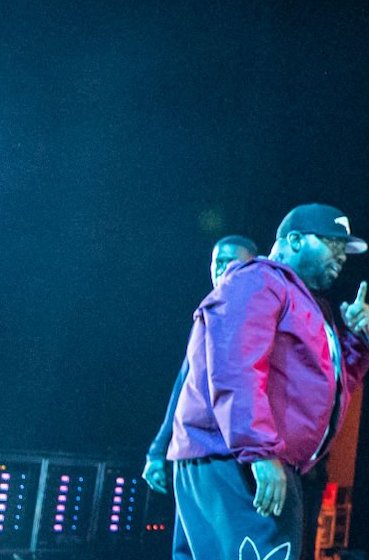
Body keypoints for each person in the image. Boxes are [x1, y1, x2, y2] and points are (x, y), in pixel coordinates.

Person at [167, 205, 369, 560]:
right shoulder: (258, 280)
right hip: (236, 458)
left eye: (344, 250)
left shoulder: (307, 303)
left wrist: (360, 336)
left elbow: (335, 389)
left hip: (247, 456)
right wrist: (260, 451)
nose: (341, 257)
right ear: (294, 241)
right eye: (331, 244)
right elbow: (236, 364)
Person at [144, 235, 258, 560]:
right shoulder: (207, 314)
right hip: (192, 453)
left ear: (252, 266)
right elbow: (184, 385)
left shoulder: (254, 312)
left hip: (227, 455)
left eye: (231, 261)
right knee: (188, 551)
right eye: (216, 261)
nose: (221, 268)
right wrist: (157, 451)